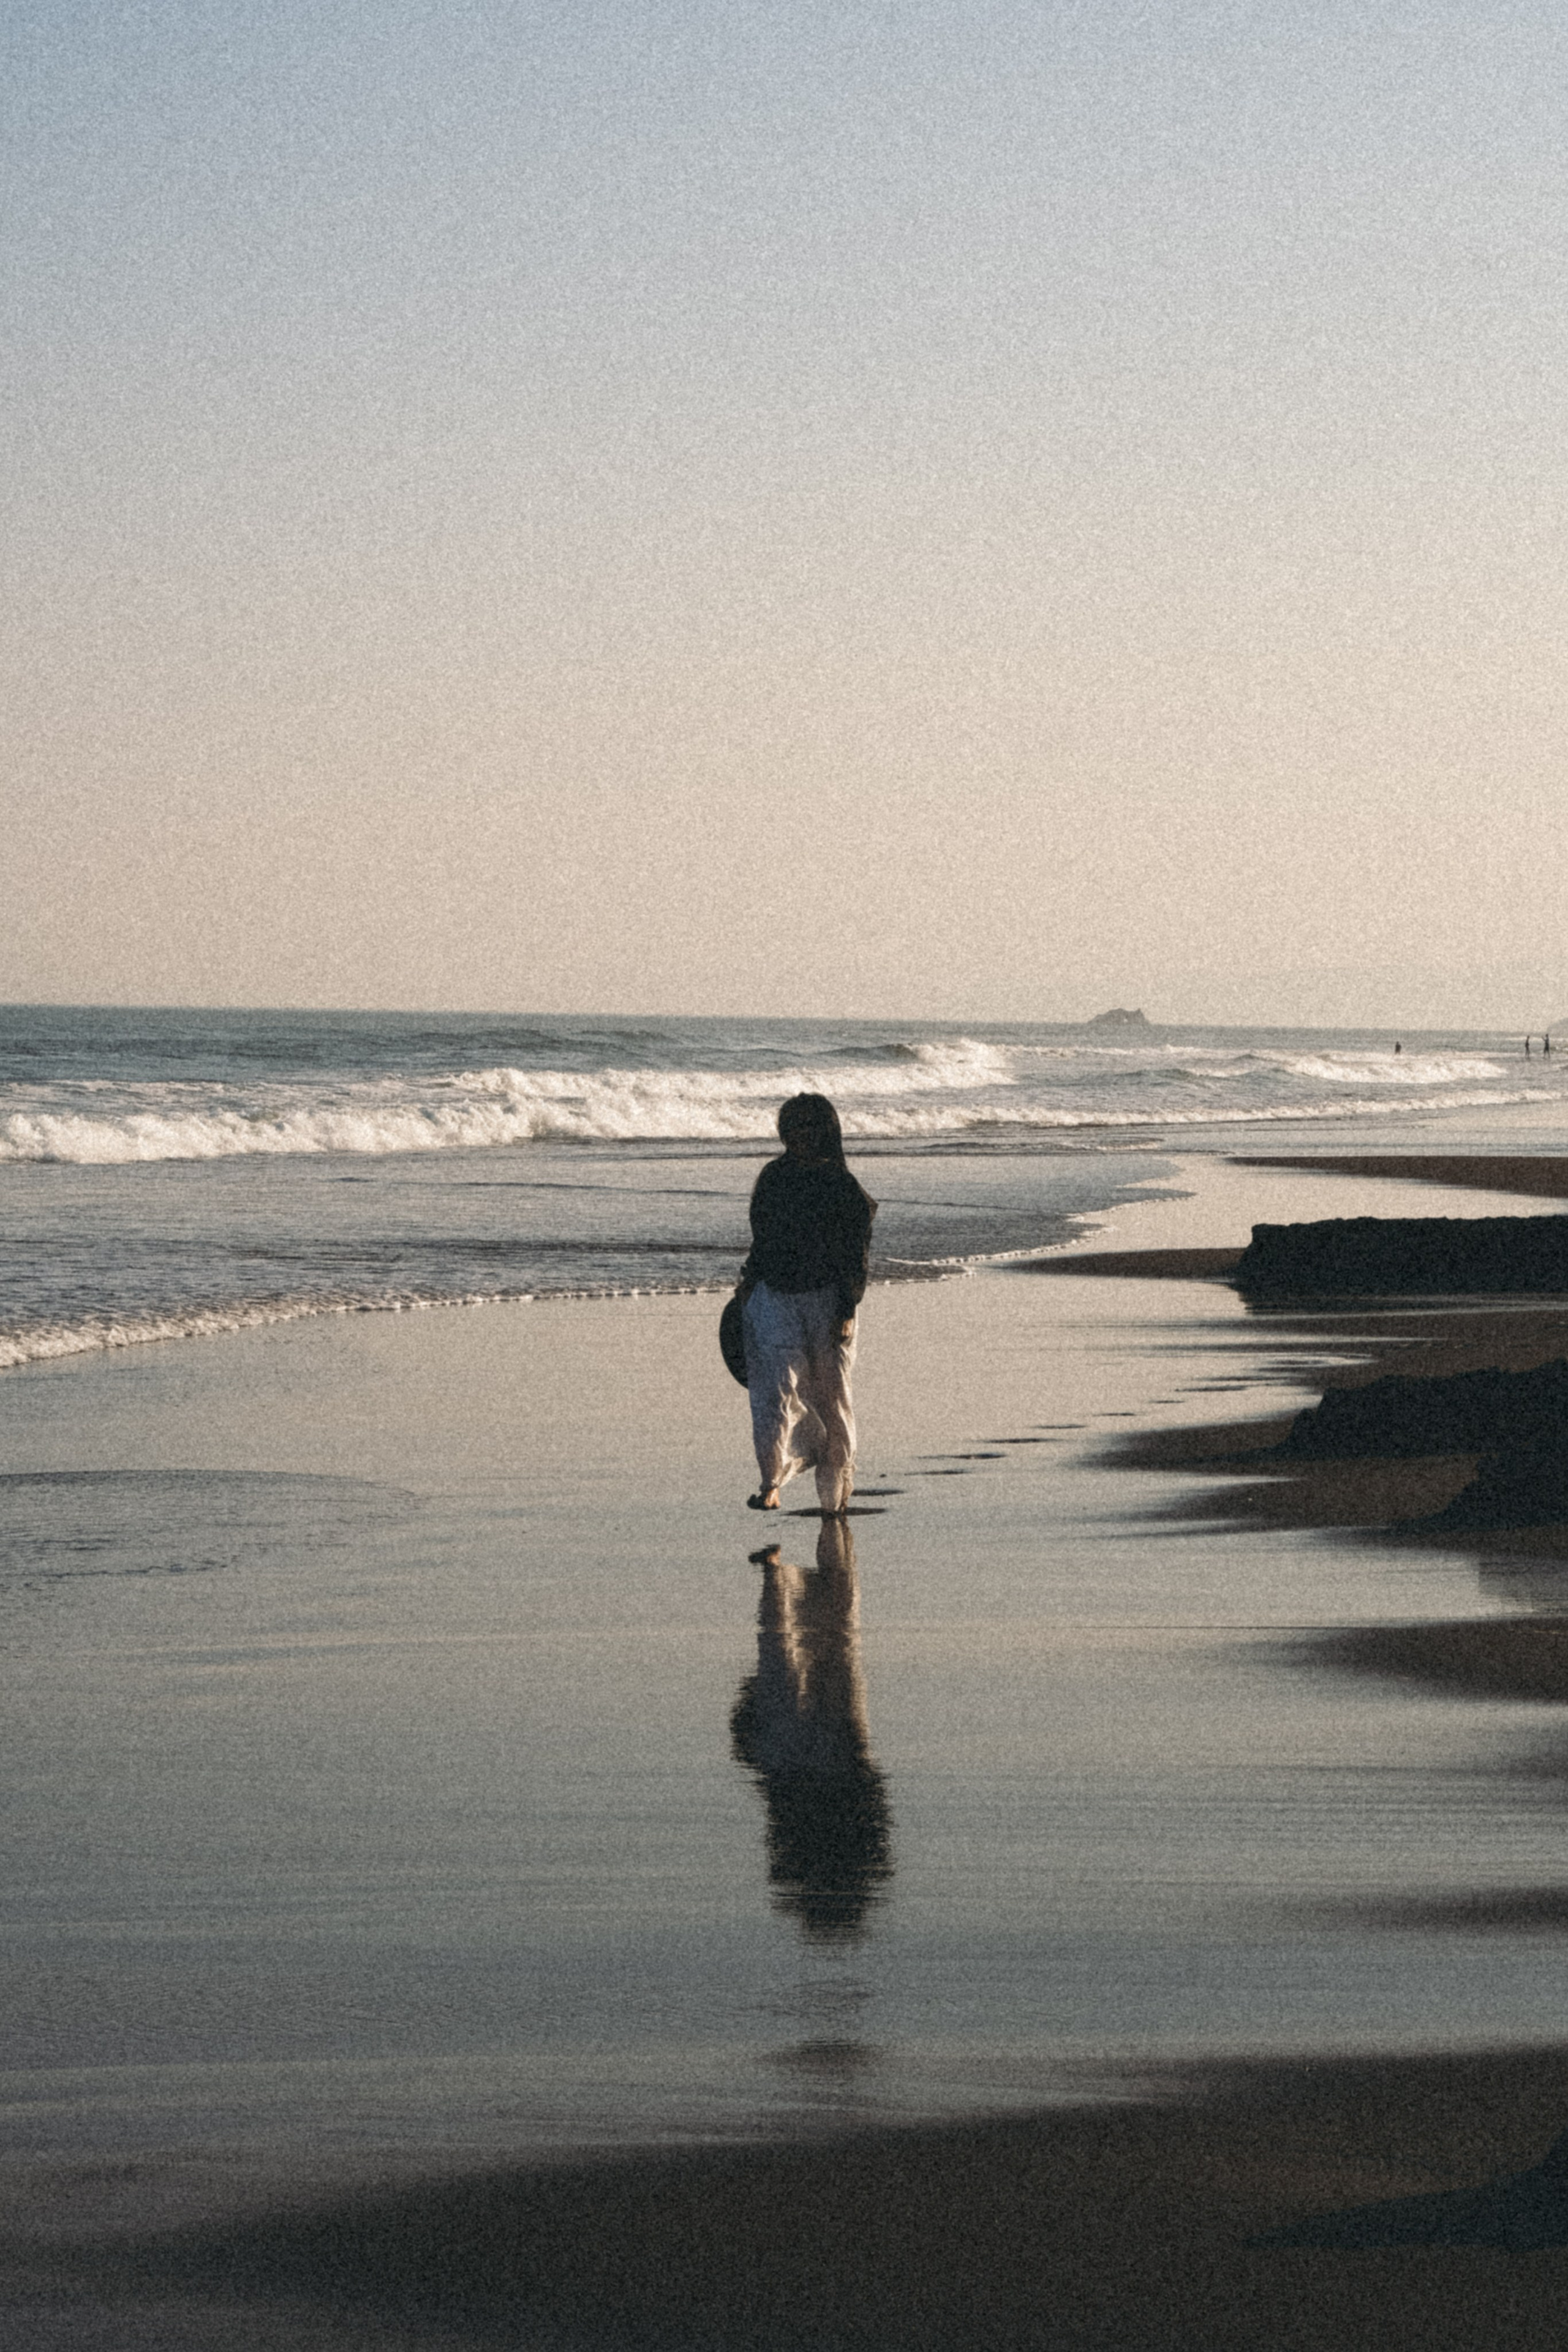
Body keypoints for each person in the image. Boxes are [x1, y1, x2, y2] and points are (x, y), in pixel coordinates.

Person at [734, 1093, 875, 1516]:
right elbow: (763, 1238)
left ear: (828, 1132)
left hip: (829, 1301)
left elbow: (856, 1255)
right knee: (774, 1389)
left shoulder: (843, 1186)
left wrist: (848, 1309)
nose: (802, 1135)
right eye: (794, 1127)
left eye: (812, 1127)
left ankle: (834, 1492)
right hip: (774, 1294)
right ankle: (770, 1482)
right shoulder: (774, 1177)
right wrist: (748, 1280)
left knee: (831, 1397)